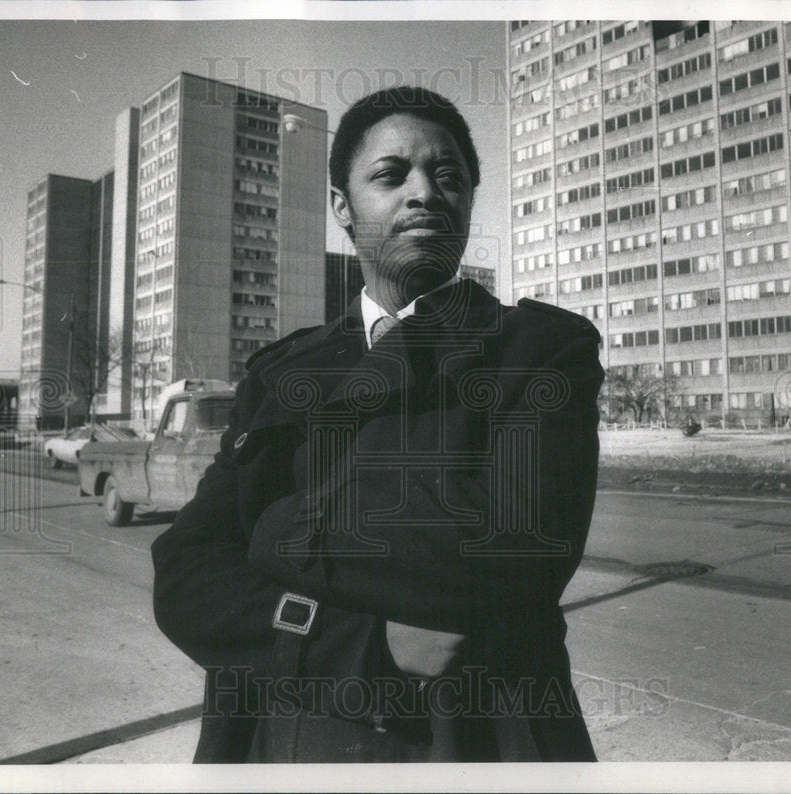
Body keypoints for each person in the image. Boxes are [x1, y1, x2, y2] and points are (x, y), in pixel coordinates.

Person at [152, 86, 604, 762]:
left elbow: (509, 554)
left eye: (447, 176)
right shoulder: (283, 371)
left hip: (473, 742)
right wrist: (362, 645)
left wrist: (272, 528)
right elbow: (185, 577)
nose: (424, 191)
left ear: (470, 202)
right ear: (343, 207)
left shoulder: (535, 350)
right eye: (391, 175)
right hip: (276, 738)